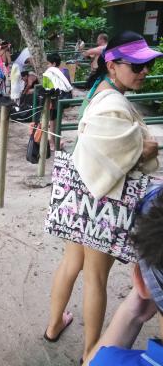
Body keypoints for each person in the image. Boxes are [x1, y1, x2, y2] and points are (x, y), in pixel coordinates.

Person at [44, 31, 162, 362]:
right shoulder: (114, 103)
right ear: (112, 65)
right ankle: (90, 354)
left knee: (71, 263)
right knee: (96, 277)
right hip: (103, 199)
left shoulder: (98, 91)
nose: (144, 71)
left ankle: (54, 326)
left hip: (79, 194)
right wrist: (143, 147)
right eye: (137, 65)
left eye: (148, 64)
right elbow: (106, 147)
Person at [84, 185, 163, 365]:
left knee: (86, 271)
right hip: (114, 195)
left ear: (142, 283)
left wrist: (130, 314)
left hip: (84, 196)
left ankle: (88, 347)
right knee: (95, 276)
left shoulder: (109, 362)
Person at [42, 52, 73, 151]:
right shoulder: (65, 72)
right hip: (63, 100)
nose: (47, 65)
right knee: (58, 121)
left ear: (54, 64)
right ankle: (57, 141)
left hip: (53, 100)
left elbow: (46, 87)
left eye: (48, 63)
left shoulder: (48, 73)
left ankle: (52, 143)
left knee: (52, 122)